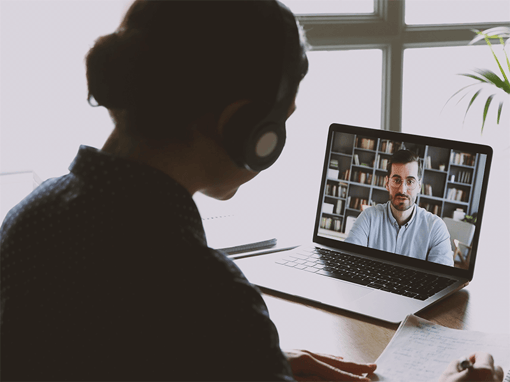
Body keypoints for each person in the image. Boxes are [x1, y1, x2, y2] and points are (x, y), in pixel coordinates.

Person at [0, 1, 502, 381]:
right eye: (281, 121)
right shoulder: (206, 293)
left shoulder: (27, 220)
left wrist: (287, 363)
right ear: (242, 125)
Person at [345, 149, 454, 267]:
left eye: (410, 181)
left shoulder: (436, 227)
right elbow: (348, 261)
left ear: (419, 186)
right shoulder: (368, 217)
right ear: (387, 183)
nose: (402, 190)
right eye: (397, 180)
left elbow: (441, 279)